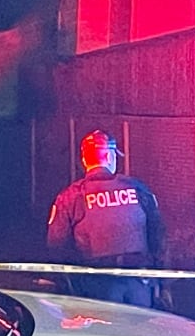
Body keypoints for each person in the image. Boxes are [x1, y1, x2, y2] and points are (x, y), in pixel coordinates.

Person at [46, 129, 165, 307]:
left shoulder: (71, 197)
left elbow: (56, 244)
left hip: (96, 286)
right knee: (139, 331)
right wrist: (161, 282)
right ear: (110, 157)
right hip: (139, 282)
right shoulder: (138, 189)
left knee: (105, 332)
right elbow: (158, 236)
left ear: (85, 160)